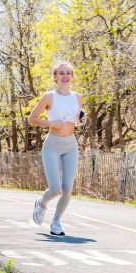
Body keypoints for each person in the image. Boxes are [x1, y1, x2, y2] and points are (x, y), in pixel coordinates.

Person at [28, 62, 86, 236]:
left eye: (68, 72)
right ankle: (42, 203)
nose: (65, 75)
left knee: (67, 187)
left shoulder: (77, 97)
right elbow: (32, 118)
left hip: (71, 145)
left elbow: (80, 120)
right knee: (55, 188)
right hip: (52, 145)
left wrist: (82, 120)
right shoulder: (49, 96)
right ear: (55, 77)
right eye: (61, 73)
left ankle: (56, 223)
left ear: (72, 76)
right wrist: (50, 123)